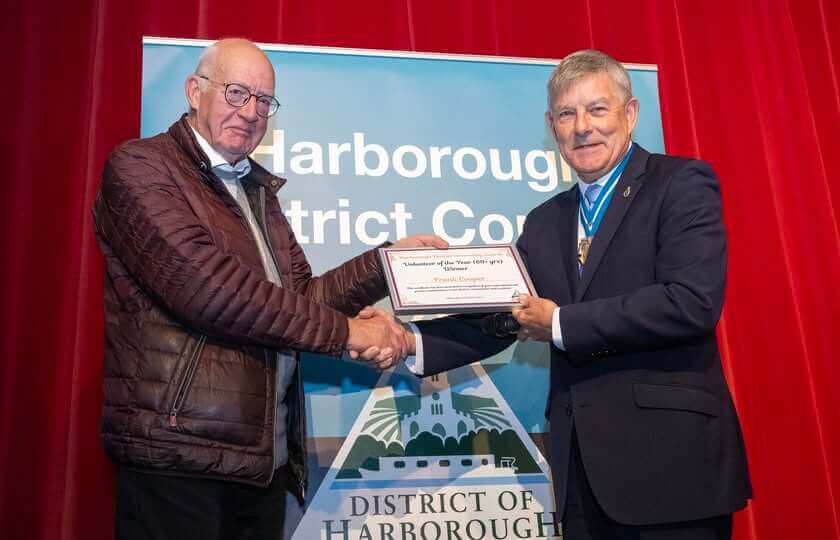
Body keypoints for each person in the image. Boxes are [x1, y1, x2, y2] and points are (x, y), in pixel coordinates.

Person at [366, 49, 751, 539]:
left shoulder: (680, 184)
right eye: (567, 114)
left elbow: (690, 302)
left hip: (671, 468)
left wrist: (562, 324)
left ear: (629, 114)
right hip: (581, 476)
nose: (582, 127)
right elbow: (502, 317)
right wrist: (408, 340)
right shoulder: (546, 221)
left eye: (597, 109)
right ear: (552, 125)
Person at [92, 38, 442, 540]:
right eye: (236, 93)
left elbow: (299, 304)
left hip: (261, 461)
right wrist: (348, 333)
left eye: (263, 101)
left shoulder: (255, 192)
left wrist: (387, 264)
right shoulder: (142, 169)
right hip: (180, 458)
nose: (251, 111)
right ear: (194, 91)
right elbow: (212, 293)